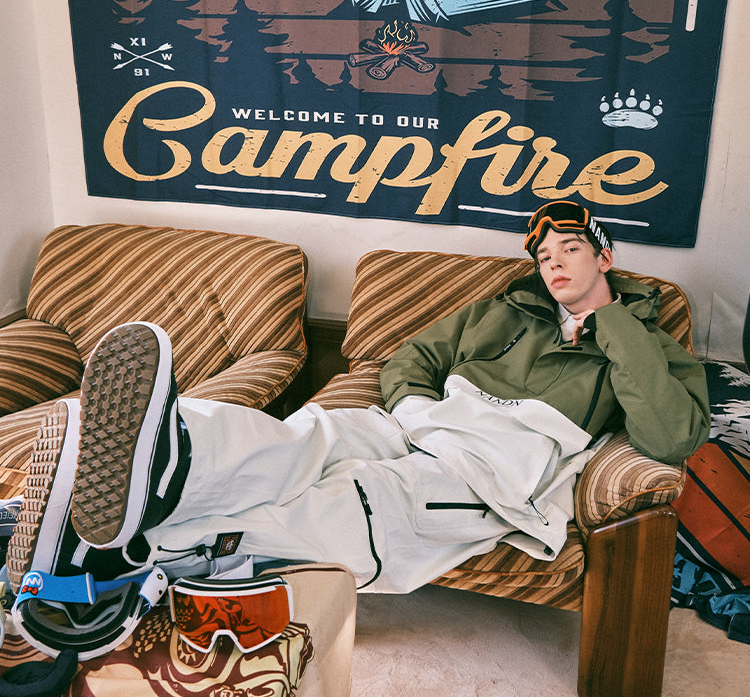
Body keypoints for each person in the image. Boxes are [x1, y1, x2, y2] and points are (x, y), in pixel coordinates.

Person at [6, 202, 710, 596]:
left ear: (605, 257)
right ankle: (165, 452)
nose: (553, 265)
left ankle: (128, 554)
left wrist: (616, 326)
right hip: (418, 425)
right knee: (304, 435)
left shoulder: (654, 342)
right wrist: (413, 410)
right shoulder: (501, 310)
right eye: (544, 256)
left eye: (570, 251)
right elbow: (412, 358)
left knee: (365, 498)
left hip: (493, 470)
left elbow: (670, 436)